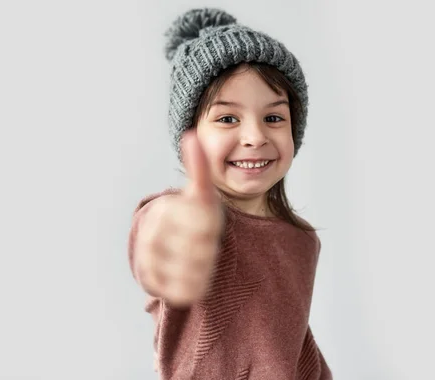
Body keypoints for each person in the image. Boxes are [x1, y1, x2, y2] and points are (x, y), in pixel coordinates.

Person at [128, 7, 332, 379]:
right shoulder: (182, 215)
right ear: (191, 136)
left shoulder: (302, 240)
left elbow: (294, 349)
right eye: (227, 118)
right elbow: (159, 234)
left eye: (274, 117)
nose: (255, 136)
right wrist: (171, 231)